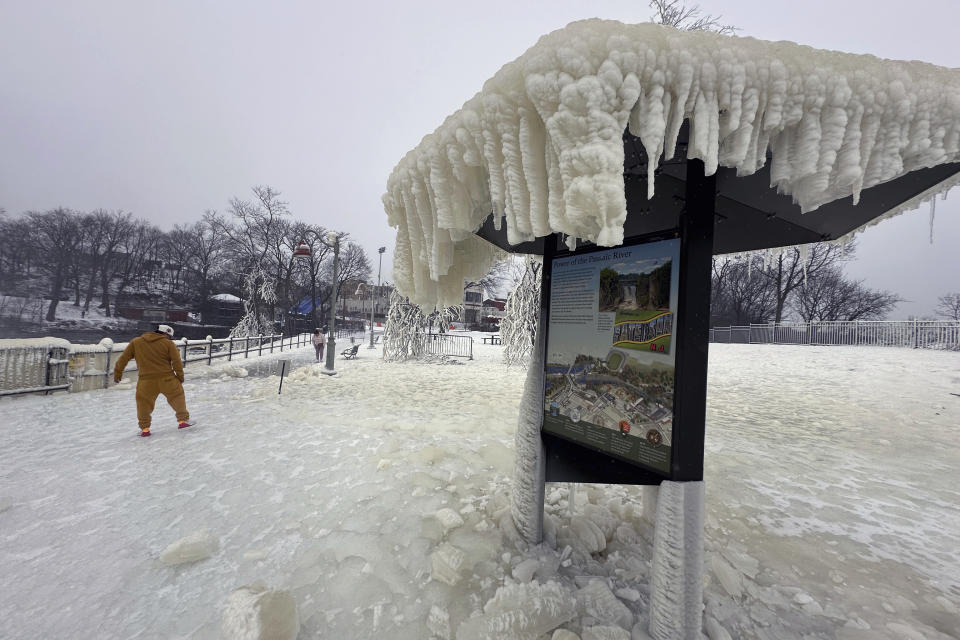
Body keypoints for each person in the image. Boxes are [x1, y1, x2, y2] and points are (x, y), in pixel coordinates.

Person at [113, 324, 192, 437]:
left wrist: (118, 373)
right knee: (177, 397)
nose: (170, 339)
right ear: (165, 334)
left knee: (143, 404)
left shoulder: (136, 342)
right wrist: (180, 377)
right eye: (170, 336)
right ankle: (183, 421)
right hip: (167, 378)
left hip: (146, 381)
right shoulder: (168, 344)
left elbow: (123, 359)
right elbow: (177, 362)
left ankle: (145, 429)